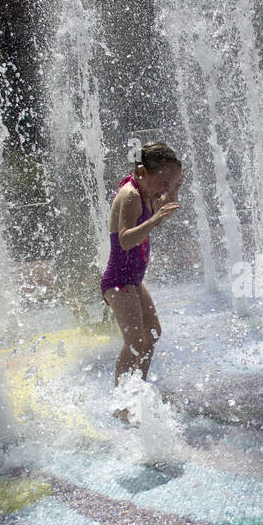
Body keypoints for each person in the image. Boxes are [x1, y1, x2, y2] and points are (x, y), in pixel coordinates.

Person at [101, 141, 182, 400]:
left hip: (134, 281)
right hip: (118, 281)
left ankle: (139, 388)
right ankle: (122, 401)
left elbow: (162, 201)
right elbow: (125, 240)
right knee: (135, 343)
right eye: (163, 181)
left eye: (172, 183)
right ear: (142, 172)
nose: (165, 189)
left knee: (153, 334)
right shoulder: (131, 195)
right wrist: (155, 220)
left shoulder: (145, 191)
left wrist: (173, 190)